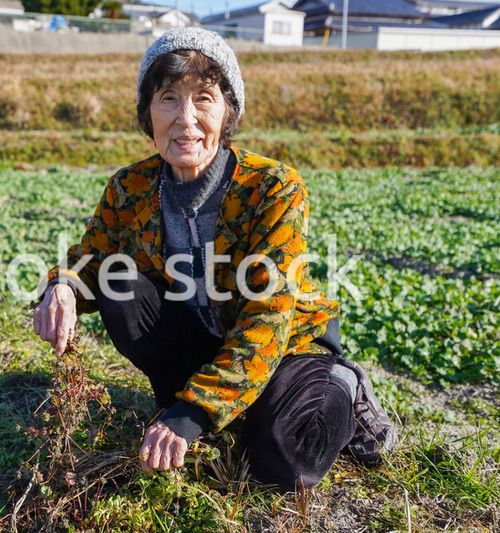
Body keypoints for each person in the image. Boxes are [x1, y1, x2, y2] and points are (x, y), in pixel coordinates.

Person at [32, 27, 396, 490]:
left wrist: (196, 410)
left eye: (204, 98)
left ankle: (343, 383)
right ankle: (187, 402)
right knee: (118, 283)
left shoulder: (272, 188)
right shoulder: (131, 187)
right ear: (148, 113)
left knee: (286, 462)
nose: (186, 120)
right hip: (200, 336)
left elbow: (269, 314)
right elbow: (89, 259)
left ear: (228, 112)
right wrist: (61, 285)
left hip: (285, 347)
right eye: (167, 98)